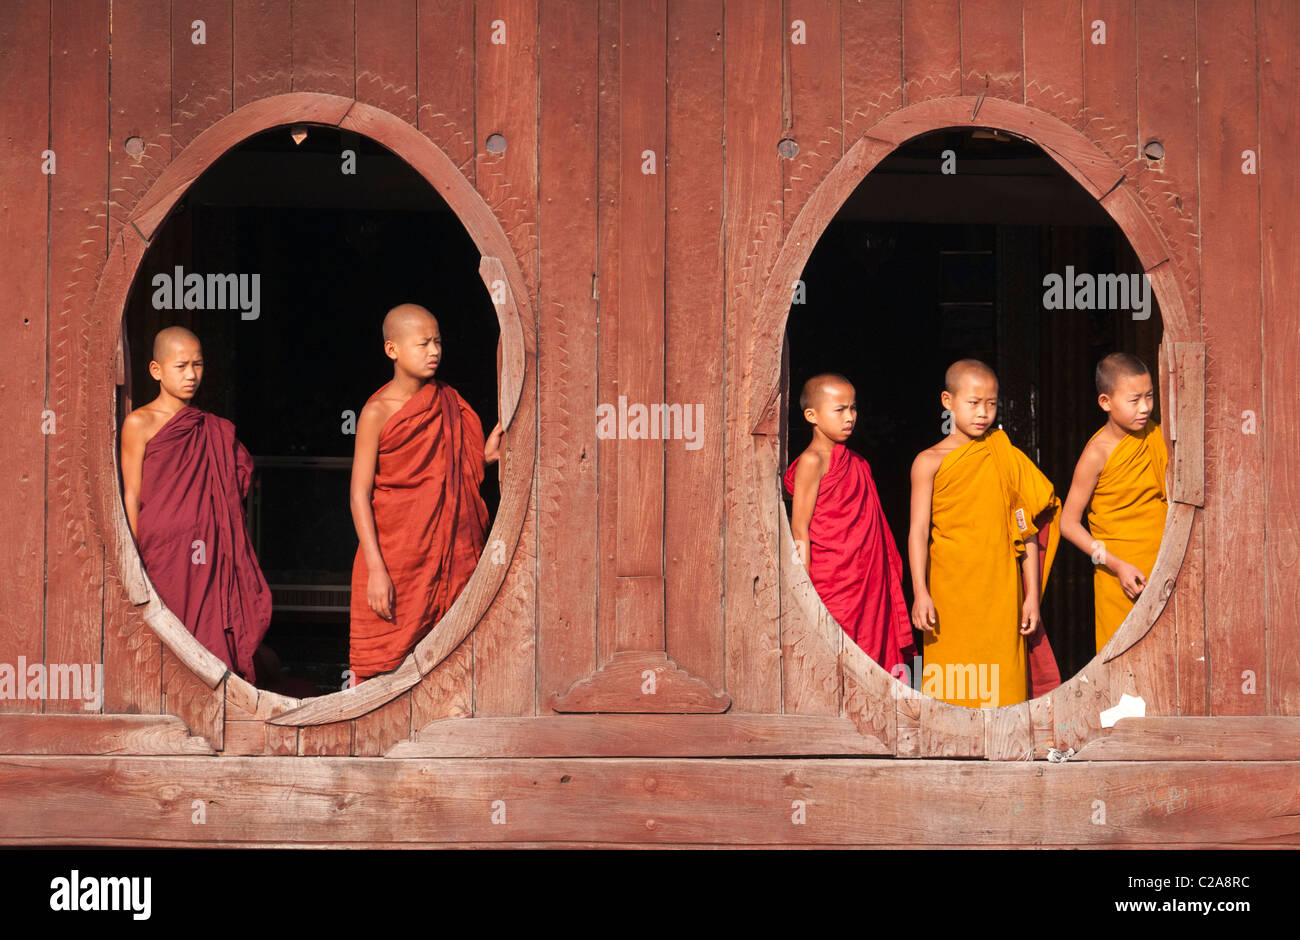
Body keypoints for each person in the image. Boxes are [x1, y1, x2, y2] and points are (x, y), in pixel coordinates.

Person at [349, 303, 502, 681]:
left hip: (452, 556)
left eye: (437, 342)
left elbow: (449, 477)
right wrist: (376, 571)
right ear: (392, 350)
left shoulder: (450, 402)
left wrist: (484, 458)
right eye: (422, 344)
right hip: (396, 559)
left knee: (452, 668)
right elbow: (358, 494)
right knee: (383, 673)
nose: (434, 351)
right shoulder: (377, 411)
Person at [120, 326, 272, 682]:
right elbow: (131, 492)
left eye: (198, 365)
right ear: (156, 370)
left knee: (210, 634)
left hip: (211, 552)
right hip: (161, 552)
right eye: (181, 366)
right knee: (165, 638)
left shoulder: (213, 429)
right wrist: (131, 555)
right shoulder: (138, 423)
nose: (191, 375)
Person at [907, 359, 1061, 708]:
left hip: (1001, 594)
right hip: (949, 597)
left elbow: (1028, 530)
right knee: (952, 694)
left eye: (991, 404)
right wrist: (920, 592)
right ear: (948, 401)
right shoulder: (928, 462)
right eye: (973, 403)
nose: (983, 413)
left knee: (1003, 694)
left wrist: (1032, 597)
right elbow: (917, 532)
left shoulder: (1006, 456)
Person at [784, 373, 915, 673]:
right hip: (830, 579)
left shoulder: (857, 462)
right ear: (811, 415)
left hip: (866, 581)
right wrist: (802, 584)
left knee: (869, 658)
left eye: (853, 408)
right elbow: (799, 527)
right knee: (832, 657)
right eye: (840, 409)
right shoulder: (812, 461)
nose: (850, 417)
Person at [1060, 353, 1168, 653]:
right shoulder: (1097, 453)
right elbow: (1067, 524)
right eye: (1134, 400)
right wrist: (1117, 565)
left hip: (1165, 565)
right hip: (1119, 577)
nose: (1145, 407)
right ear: (1106, 402)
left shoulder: (1156, 436)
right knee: (1125, 670)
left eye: (1149, 396)